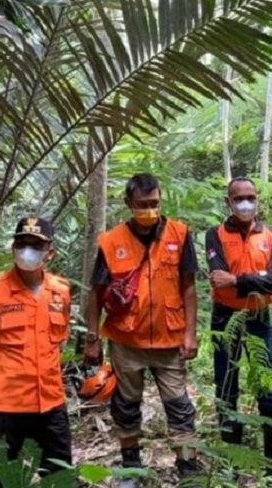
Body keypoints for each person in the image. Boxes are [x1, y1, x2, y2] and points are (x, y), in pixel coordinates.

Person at [85, 173, 201, 487]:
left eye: (154, 204)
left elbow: (189, 286)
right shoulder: (111, 242)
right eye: (142, 205)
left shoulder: (179, 233)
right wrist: (92, 338)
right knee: (126, 404)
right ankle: (130, 466)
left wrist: (191, 333)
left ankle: (188, 467)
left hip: (169, 338)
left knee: (179, 404)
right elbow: (95, 292)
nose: (149, 210)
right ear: (128, 203)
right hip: (126, 340)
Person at [0, 217, 73, 481]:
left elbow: (58, 341)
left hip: (50, 403)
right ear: (13, 247)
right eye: (22, 243)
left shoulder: (60, 292)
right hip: (3, 407)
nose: (28, 250)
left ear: (50, 252)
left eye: (36, 245)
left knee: (60, 476)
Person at [205, 176, 272, 476]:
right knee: (226, 391)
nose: (245, 203)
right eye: (239, 197)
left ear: (257, 200)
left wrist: (238, 280)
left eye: (250, 197)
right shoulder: (214, 235)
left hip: (259, 319)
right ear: (228, 201)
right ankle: (231, 468)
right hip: (224, 317)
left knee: (270, 393)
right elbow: (218, 280)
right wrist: (259, 279)